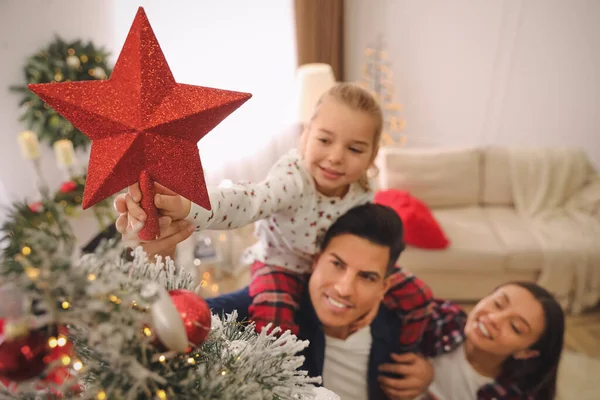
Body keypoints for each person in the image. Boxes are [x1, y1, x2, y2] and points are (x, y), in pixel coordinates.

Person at [115, 82, 432, 349]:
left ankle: (404, 352)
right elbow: (246, 201)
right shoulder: (294, 180)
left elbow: (372, 246)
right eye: (324, 140)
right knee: (276, 328)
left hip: (330, 268)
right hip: (279, 264)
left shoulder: (363, 189)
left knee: (417, 295)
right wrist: (188, 205)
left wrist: (377, 297)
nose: (336, 157)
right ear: (305, 136)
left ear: (372, 156)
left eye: (355, 149)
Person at [206, 203, 434, 400]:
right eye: (337, 264)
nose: (344, 289)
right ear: (315, 261)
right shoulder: (273, 306)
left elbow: (452, 321)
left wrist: (429, 374)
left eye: (367, 277)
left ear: (383, 287)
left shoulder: (397, 319)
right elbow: (191, 314)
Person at [413, 282, 565, 400]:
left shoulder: (513, 395)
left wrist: (426, 387)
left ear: (527, 353)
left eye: (515, 327)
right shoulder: (442, 318)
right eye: (498, 304)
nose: (493, 319)